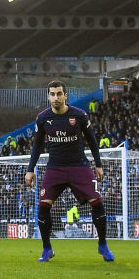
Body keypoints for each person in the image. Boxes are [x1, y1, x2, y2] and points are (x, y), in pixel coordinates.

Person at [24, 81, 113, 263]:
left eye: (59, 94)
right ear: (48, 96)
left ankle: (102, 244)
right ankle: (47, 248)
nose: (56, 97)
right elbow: (37, 145)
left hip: (79, 166)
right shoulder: (42, 118)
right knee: (42, 207)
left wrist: (98, 164)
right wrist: (30, 169)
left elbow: (92, 140)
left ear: (66, 96)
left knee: (97, 202)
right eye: (52, 94)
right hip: (55, 168)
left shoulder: (79, 115)